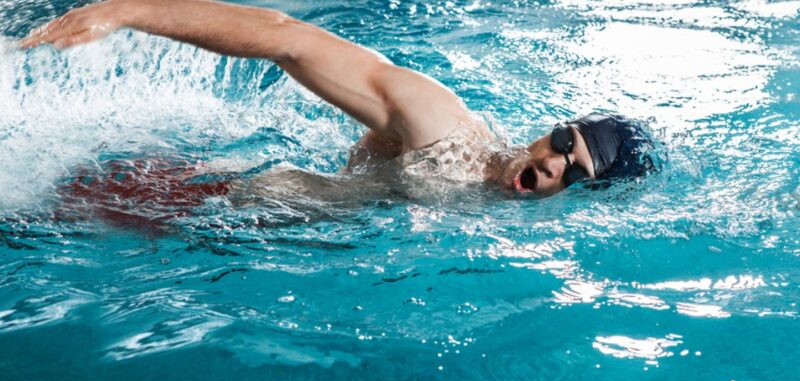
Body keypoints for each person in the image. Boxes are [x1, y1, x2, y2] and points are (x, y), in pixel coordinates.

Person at [20, 0, 658, 201]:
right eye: (564, 146)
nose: (555, 166)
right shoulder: (439, 126)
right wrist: (128, 11)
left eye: (575, 176)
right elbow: (290, 40)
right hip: (228, 205)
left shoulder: (524, 234)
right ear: (546, 134)